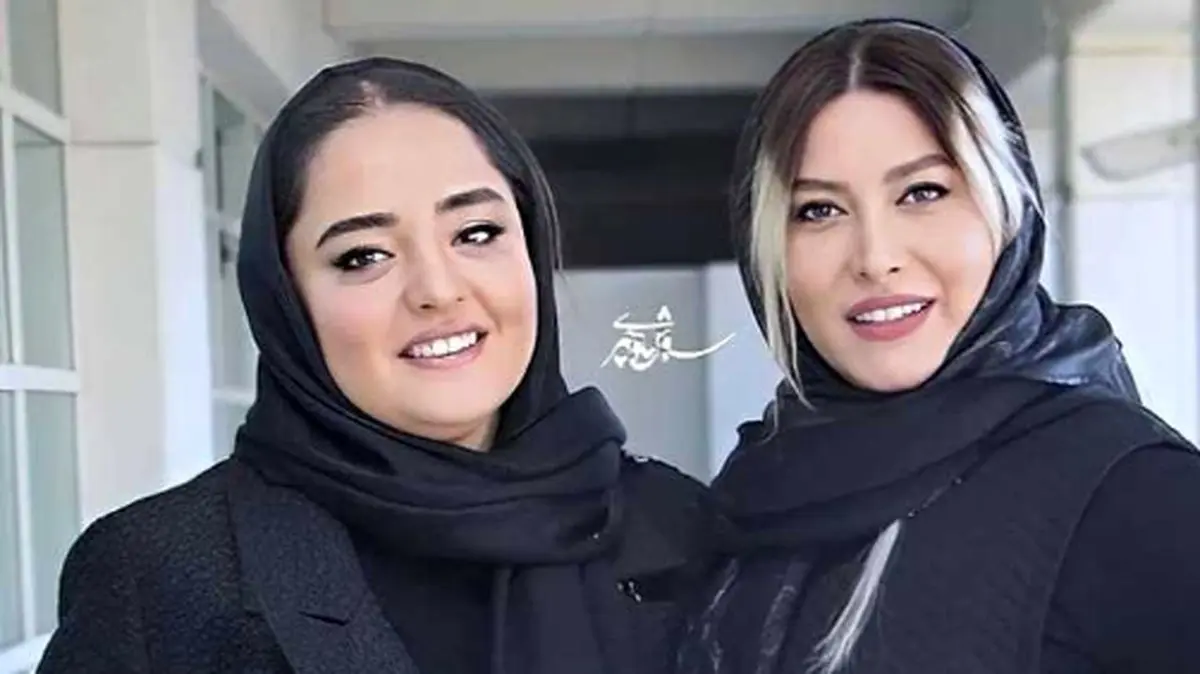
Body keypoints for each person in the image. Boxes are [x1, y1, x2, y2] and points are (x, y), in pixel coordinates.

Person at [38, 57, 706, 674]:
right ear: (285, 299)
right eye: (364, 256)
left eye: (476, 233)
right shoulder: (157, 577)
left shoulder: (679, 526)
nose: (437, 290)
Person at [676, 17, 1200, 674]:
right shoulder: (750, 498)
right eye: (819, 210)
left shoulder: (1131, 493)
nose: (875, 257)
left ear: (1005, 212)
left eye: (922, 193)